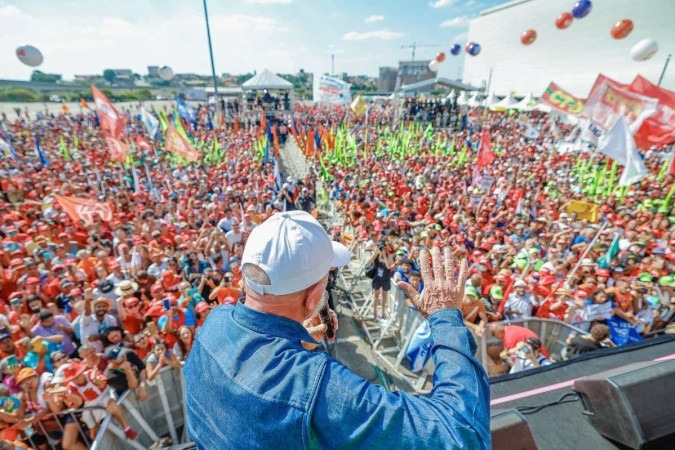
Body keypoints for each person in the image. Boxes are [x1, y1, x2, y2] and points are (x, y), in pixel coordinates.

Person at [185, 211, 490, 448]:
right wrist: (445, 315)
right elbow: (459, 437)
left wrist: (294, 345)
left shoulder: (214, 323)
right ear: (315, 296)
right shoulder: (315, 388)